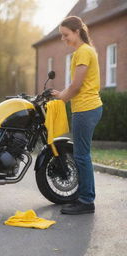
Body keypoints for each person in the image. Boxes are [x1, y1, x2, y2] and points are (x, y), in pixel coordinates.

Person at [51, 16, 103, 215]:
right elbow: (78, 84)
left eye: (65, 35)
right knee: (82, 155)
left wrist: (62, 98)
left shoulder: (82, 52)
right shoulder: (84, 51)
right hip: (87, 107)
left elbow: (77, 85)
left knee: (81, 156)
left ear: (77, 32)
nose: (63, 39)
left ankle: (86, 201)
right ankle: (84, 197)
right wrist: (61, 93)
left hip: (86, 109)